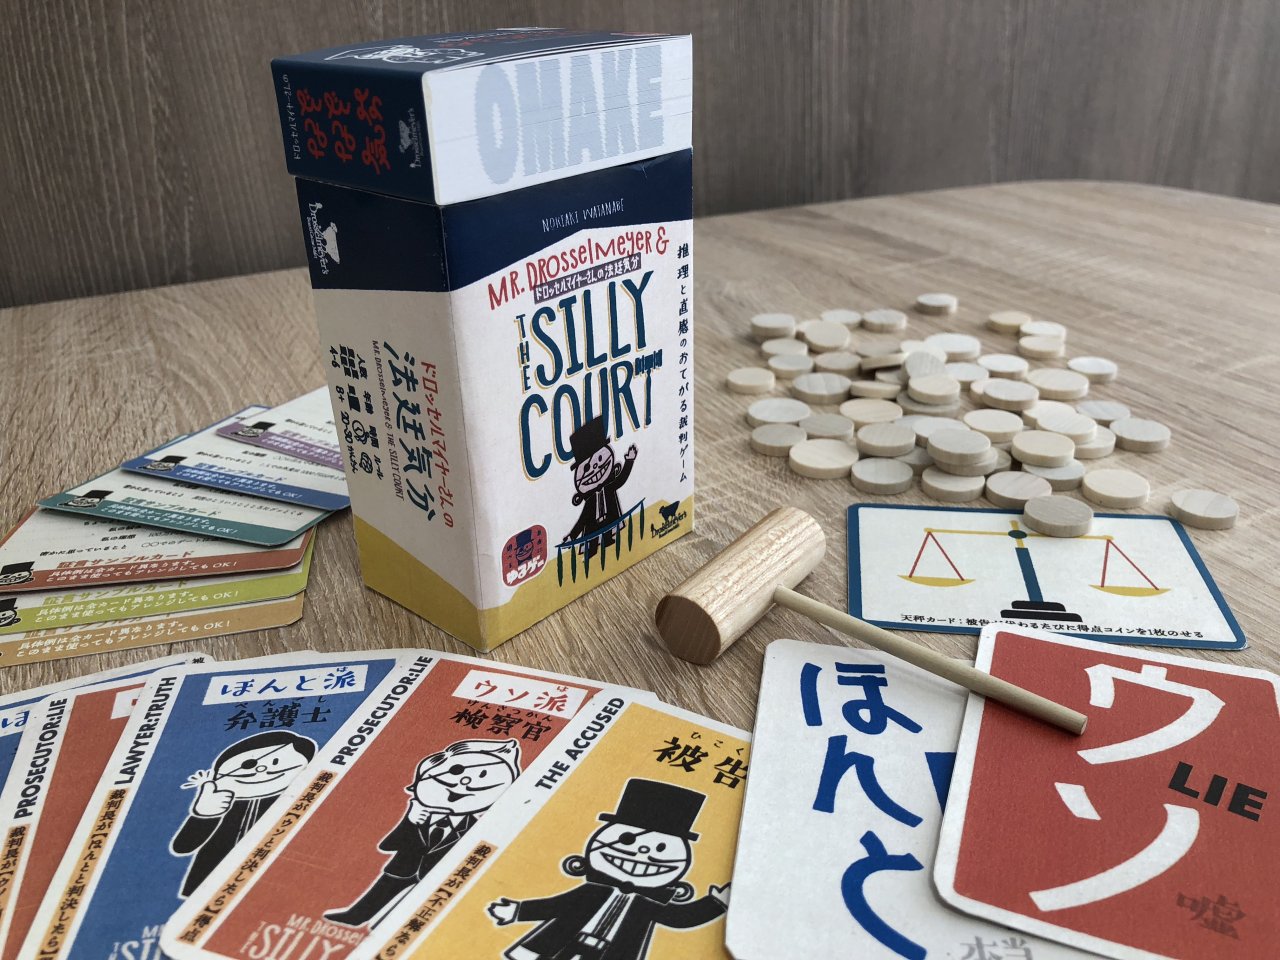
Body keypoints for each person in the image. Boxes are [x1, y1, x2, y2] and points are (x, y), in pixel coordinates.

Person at [488, 779, 729, 960]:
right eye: (627, 840)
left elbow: (678, 918)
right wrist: (518, 911)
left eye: (661, 848)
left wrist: (715, 904)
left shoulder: (650, 902)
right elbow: (557, 905)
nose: (642, 852)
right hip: (561, 946)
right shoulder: (592, 890)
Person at [325, 738, 522, 928]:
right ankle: (355, 917)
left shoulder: (474, 826)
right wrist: (410, 820)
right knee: (378, 895)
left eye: (483, 776)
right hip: (401, 869)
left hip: (439, 877)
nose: (465, 781)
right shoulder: (417, 814)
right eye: (456, 770)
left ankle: (387, 928)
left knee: (414, 913)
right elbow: (389, 845)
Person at [170, 730, 317, 898]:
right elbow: (182, 847)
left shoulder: (298, 801)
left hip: (275, 889)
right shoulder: (221, 802)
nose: (261, 769)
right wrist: (204, 815)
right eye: (249, 764)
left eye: (276, 762)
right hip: (205, 892)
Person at [563, 418, 637, 561]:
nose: (595, 467)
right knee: (592, 538)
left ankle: (608, 541)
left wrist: (629, 461)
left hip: (609, 521)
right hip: (593, 528)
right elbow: (582, 520)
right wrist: (572, 537)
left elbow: (621, 479)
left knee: (609, 534)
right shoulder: (590, 500)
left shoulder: (609, 488)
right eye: (587, 467)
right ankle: (591, 553)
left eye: (600, 458)